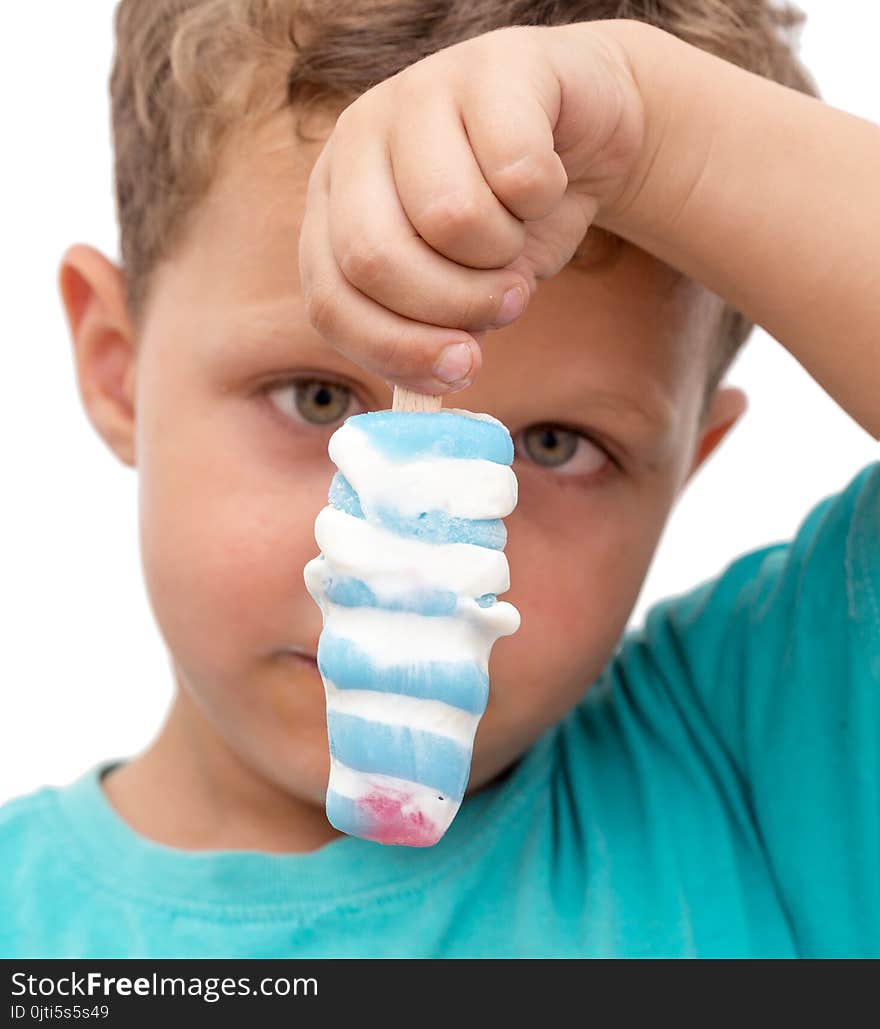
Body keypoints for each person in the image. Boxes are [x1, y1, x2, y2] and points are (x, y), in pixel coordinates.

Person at [1, 0, 877, 957]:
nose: (417, 564)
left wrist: (659, 135)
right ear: (116, 367)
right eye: (319, 397)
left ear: (688, 467)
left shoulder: (757, 755)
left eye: (555, 445)